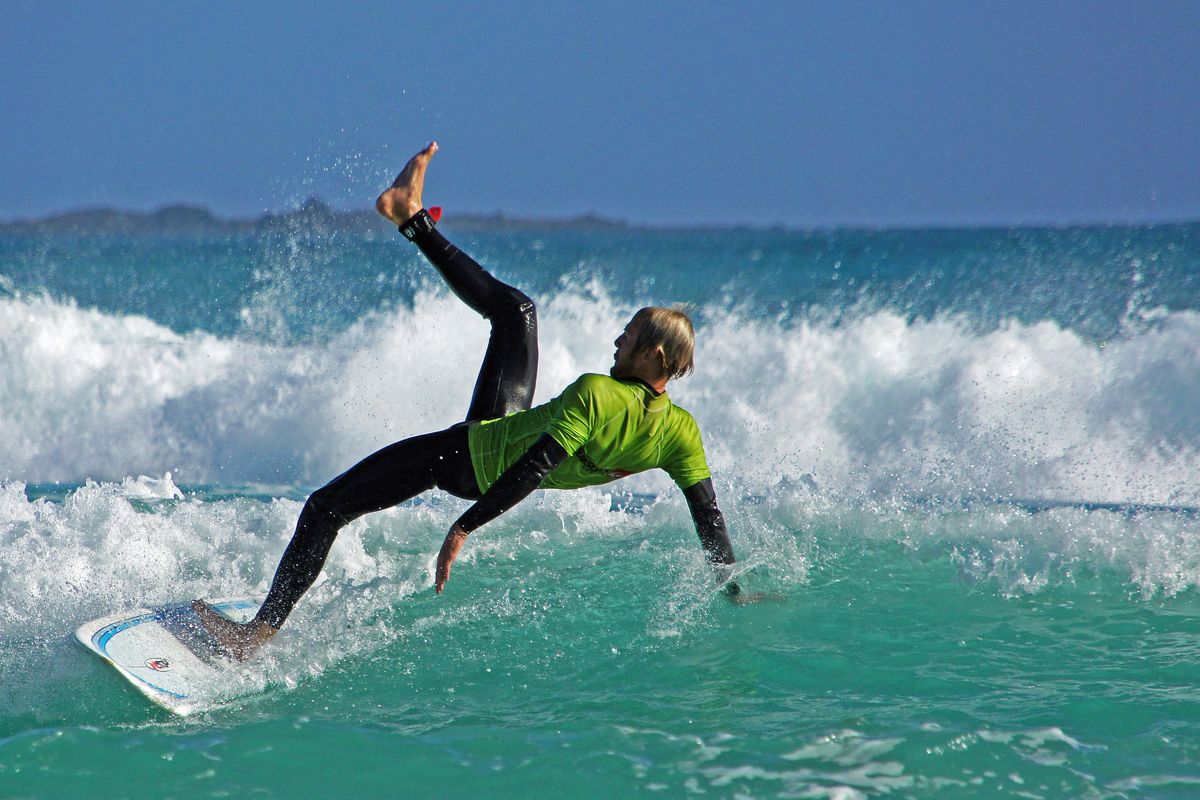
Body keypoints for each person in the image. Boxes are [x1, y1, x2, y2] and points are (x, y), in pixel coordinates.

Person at [193, 142, 740, 659]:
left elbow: (536, 465)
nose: (616, 341)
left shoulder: (598, 392)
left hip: (465, 461)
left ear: (651, 356)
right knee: (516, 312)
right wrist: (733, 590)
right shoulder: (682, 433)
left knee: (324, 508)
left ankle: (257, 635)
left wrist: (464, 527)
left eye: (627, 336)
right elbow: (709, 519)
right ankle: (407, 214)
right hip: (501, 431)